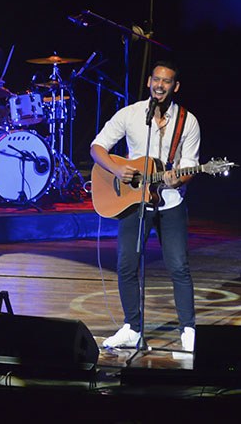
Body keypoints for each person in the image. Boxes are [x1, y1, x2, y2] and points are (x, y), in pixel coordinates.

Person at [90, 60, 200, 352]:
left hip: (170, 202)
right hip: (134, 202)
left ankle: (188, 329)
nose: (160, 85)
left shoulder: (187, 121)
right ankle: (132, 328)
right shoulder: (131, 114)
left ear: (175, 86)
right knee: (126, 265)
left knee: (178, 266)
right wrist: (116, 169)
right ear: (149, 82)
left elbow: (189, 165)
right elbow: (97, 147)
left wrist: (178, 178)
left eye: (166, 81)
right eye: (156, 80)